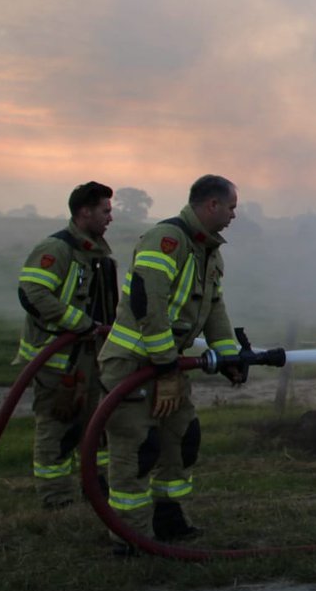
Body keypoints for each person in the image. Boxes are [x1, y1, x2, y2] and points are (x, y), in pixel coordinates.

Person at [98, 174, 245, 551]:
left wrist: (228, 356)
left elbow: (214, 307)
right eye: (231, 208)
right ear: (212, 205)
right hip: (131, 365)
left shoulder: (208, 251)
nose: (233, 215)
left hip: (166, 365)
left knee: (181, 438)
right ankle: (129, 537)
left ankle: (168, 519)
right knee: (138, 449)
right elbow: (149, 305)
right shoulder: (166, 240)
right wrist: (165, 369)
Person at [16, 181, 117, 509]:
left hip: (90, 358)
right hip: (56, 361)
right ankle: (56, 499)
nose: (110, 217)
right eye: (105, 211)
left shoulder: (97, 255)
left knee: (96, 425)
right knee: (58, 427)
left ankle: (96, 488)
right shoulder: (57, 249)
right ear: (84, 212)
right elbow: (33, 293)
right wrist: (79, 323)